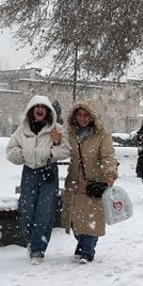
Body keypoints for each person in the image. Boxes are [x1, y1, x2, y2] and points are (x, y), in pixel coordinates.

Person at [6, 96, 70, 264]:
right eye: (37, 107)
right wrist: (24, 155)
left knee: (45, 212)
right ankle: (31, 239)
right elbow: (10, 150)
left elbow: (66, 150)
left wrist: (52, 150)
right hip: (29, 172)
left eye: (43, 107)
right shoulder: (22, 131)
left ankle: (38, 250)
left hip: (48, 172)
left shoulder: (56, 129)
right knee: (26, 211)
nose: (40, 109)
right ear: (31, 110)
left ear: (48, 111)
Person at [62, 101, 117, 263]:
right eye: (79, 115)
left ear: (92, 117)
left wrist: (110, 173)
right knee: (76, 219)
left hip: (94, 183)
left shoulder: (102, 134)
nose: (82, 118)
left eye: (86, 115)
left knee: (92, 219)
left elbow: (108, 156)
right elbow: (61, 149)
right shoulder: (70, 134)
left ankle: (87, 250)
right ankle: (82, 242)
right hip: (74, 182)